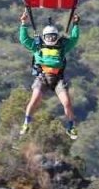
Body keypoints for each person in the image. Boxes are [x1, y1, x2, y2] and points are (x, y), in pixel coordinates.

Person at [19, 9, 80, 139]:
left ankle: (70, 127)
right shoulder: (37, 45)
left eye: (53, 36)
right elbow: (24, 39)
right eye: (48, 37)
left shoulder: (62, 46)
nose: (50, 39)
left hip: (58, 79)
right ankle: (26, 123)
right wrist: (23, 24)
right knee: (34, 100)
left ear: (56, 36)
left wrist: (76, 25)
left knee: (67, 103)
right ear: (44, 37)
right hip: (42, 78)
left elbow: (74, 39)